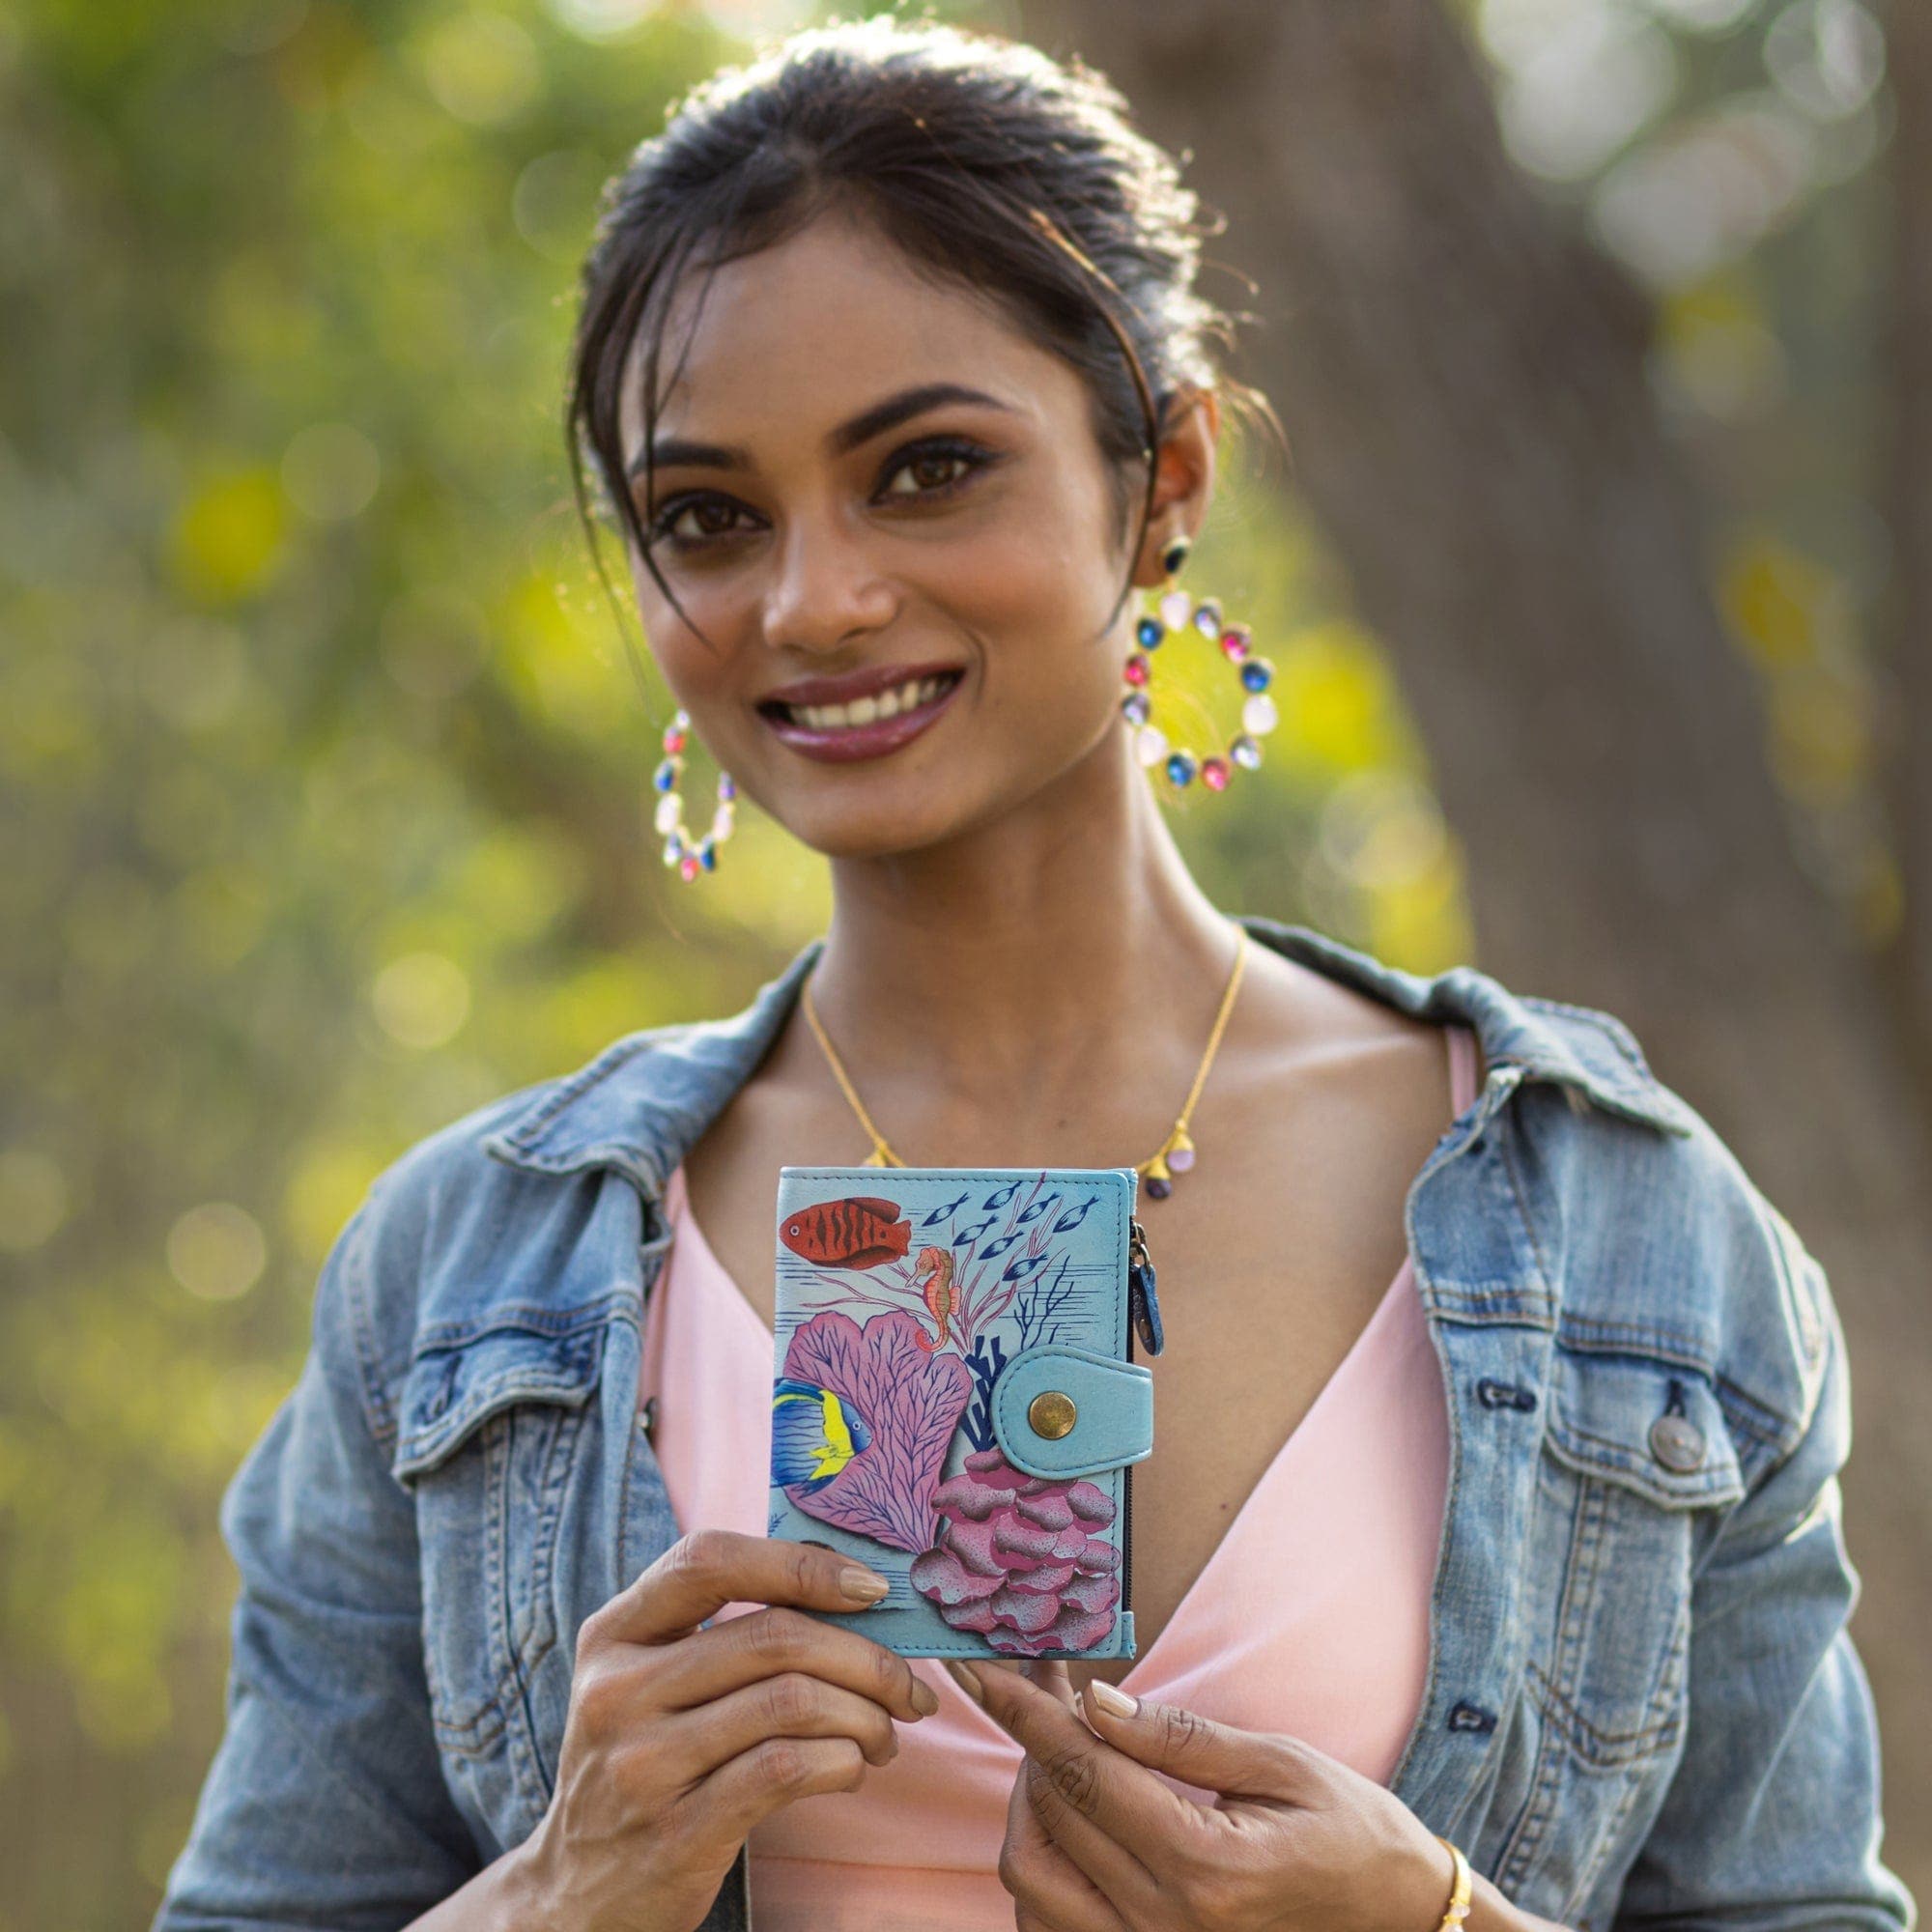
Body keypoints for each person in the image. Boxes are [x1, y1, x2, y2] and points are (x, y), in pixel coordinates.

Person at [155, 17, 1915, 1932]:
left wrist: (1437, 1921)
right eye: (706, 518)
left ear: (1161, 478)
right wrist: (558, 1894)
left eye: (923, 470)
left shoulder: (1627, 1235)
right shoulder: (462, 1280)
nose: (811, 600)